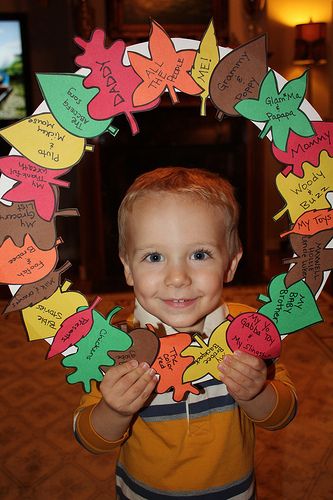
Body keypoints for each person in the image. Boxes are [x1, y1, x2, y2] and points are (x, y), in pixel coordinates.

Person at [74, 167, 297, 499]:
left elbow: (283, 413)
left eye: (199, 254)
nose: (177, 277)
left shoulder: (248, 331)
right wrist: (115, 410)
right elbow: (88, 435)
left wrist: (257, 392)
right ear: (127, 268)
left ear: (231, 263)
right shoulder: (118, 343)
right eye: (154, 256)